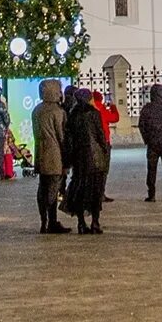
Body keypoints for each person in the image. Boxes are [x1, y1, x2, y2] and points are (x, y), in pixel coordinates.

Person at [62, 79, 110, 233]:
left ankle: (81, 223)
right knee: (96, 190)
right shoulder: (94, 113)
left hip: (79, 158)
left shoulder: (73, 115)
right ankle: (95, 222)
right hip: (95, 157)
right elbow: (100, 135)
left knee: (81, 190)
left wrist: (68, 159)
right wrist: (104, 149)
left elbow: (69, 139)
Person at [32, 78, 70, 233]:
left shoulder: (37, 110)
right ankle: (52, 222)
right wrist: (67, 159)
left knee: (42, 188)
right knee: (53, 190)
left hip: (41, 152)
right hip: (54, 156)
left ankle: (43, 221)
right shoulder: (57, 112)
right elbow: (62, 136)